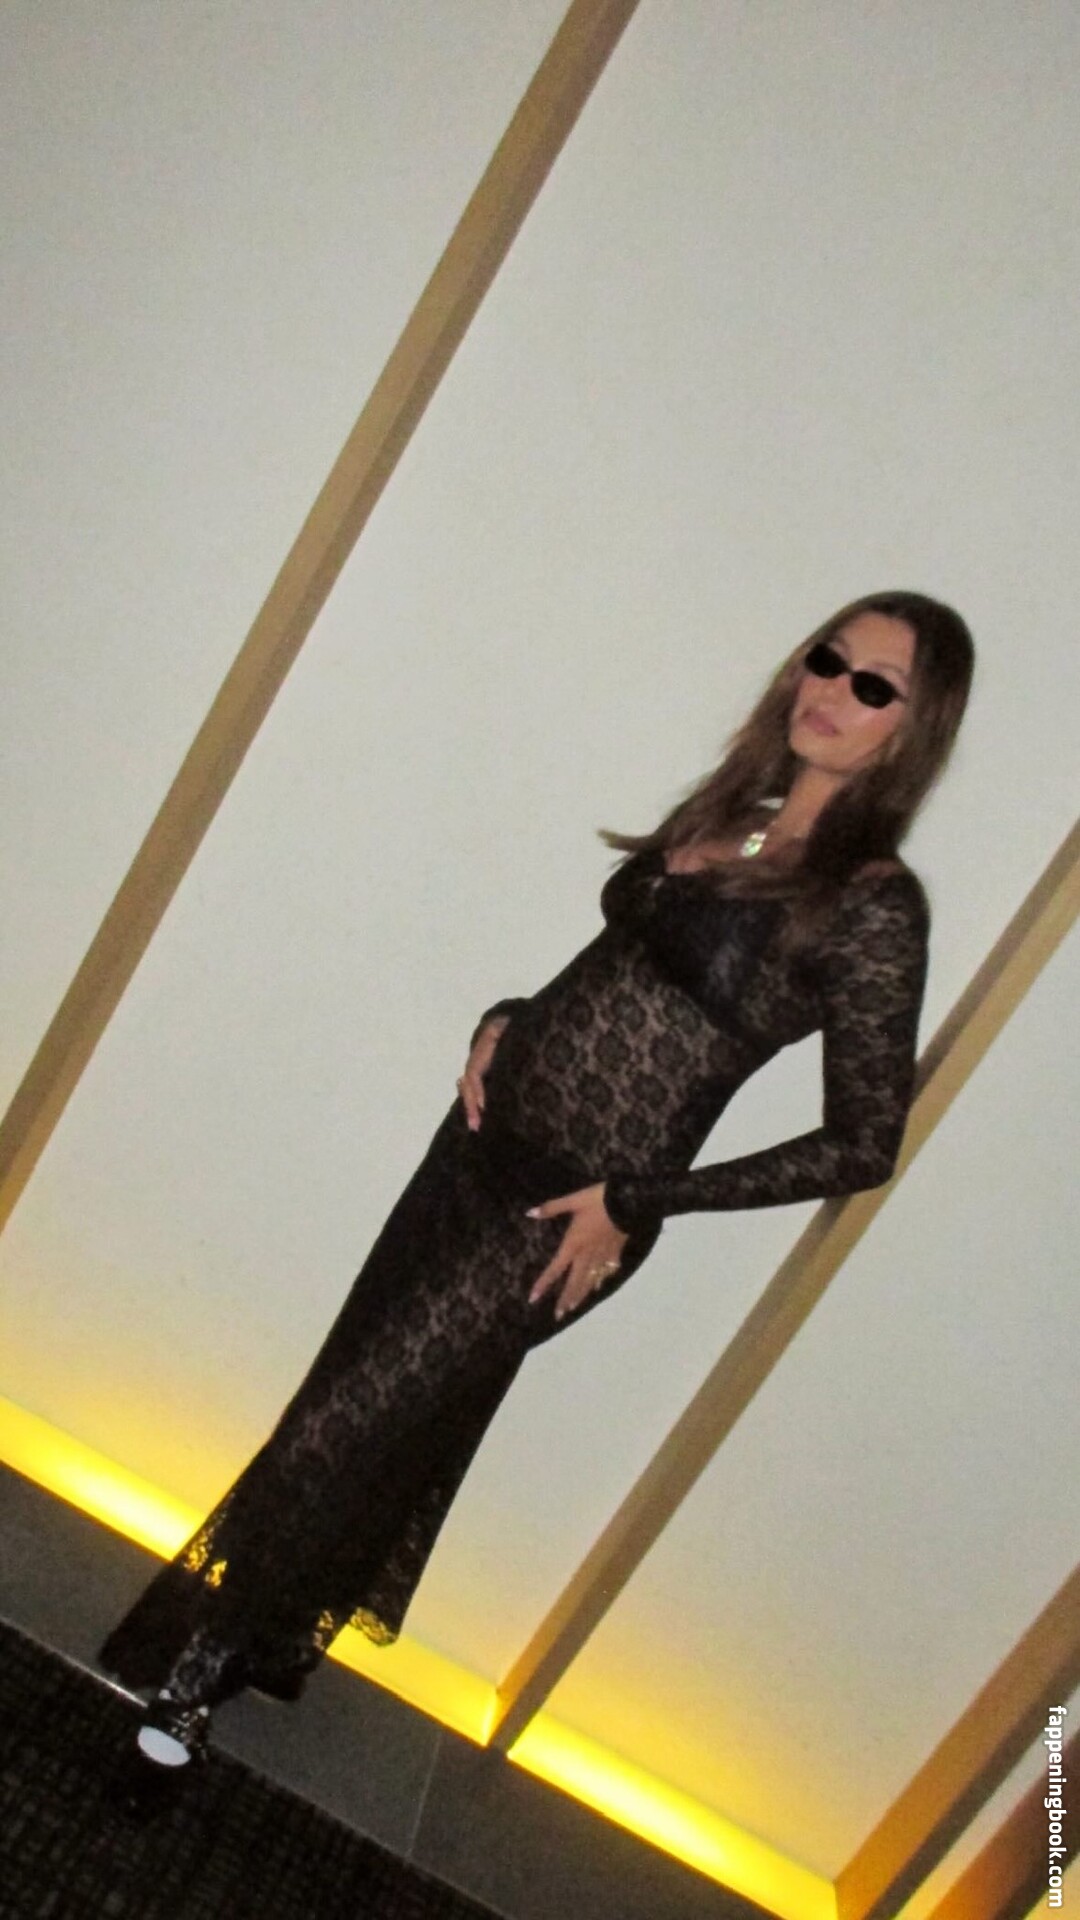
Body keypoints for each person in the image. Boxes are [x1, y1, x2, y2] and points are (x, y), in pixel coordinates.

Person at [101, 589, 974, 1786]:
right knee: (374, 1405)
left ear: (911, 728)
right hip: (476, 1147)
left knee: (340, 1426)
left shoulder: (872, 902)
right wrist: (506, 1019)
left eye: (874, 685)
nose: (833, 690)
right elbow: (612, 970)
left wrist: (637, 1202)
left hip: (569, 1216)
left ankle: (192, 1679)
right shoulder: (738, 814)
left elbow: (864, 1142)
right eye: (829, 660)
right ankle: (266, 1637)